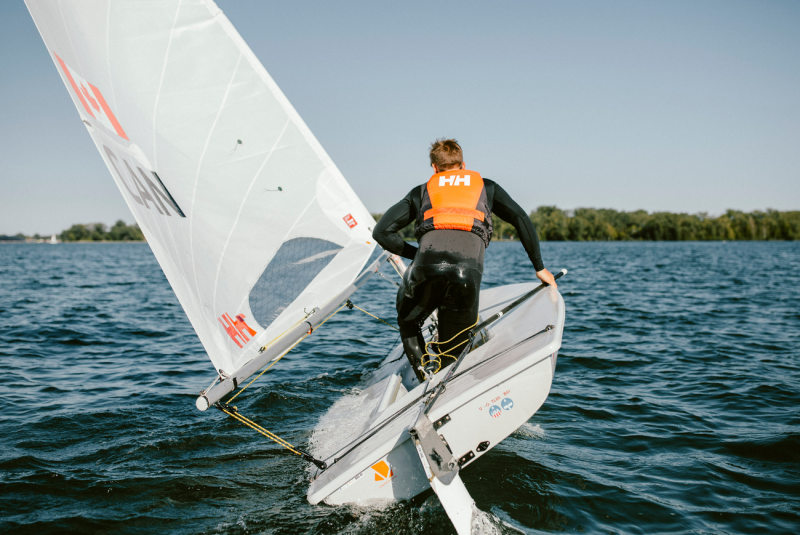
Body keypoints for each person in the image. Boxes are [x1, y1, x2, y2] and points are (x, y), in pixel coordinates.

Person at [372, 139, 557, 382]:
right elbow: (520, 218)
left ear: (434, 168)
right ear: (463, 165)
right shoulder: (486, 187)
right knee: (453, 349)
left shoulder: (421, 191)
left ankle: (424, 376)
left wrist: (417, 255)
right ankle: (451, 382)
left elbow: (381, 232)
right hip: (466, 272)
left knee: (408, 319)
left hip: (425, 268)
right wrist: (539, 267)